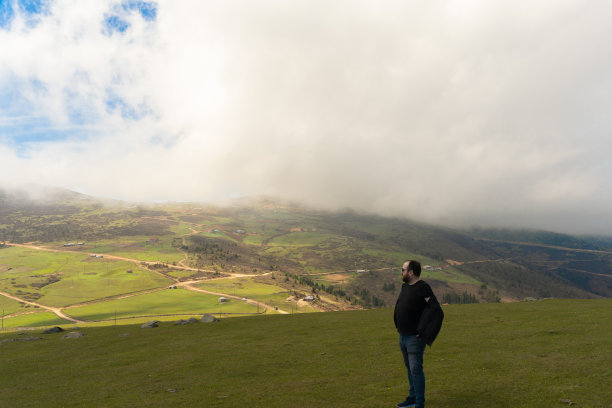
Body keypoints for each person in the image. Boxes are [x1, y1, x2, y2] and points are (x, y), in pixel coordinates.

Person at [394, 260, 433, 408]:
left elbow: (434, 310)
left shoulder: (423, 288)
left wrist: (423, 330)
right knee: (409, 368)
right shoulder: (405, 287)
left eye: (403, 269)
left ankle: (419, 403)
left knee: (415, 369)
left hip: (414, 338)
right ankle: (412, 397)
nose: (401, 272)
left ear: (411, 272)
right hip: (402, 335)